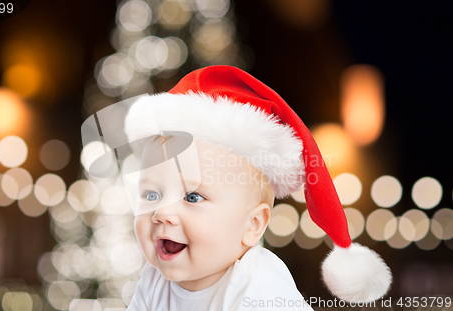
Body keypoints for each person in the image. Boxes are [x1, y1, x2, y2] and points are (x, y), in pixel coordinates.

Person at [121, 65, 392, 310]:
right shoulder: (153, 281)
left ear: (252, 225)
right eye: (151, 194)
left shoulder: (260, 288)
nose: (161, 213)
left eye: (192, 197)